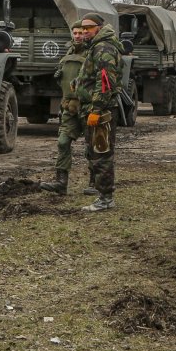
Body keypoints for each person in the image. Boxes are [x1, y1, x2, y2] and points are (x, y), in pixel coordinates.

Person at [37, 18, 94, 195]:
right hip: (68, 106)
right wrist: (59, 76)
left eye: (80, 32)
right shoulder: (68, 52)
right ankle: (61, 182)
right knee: (63, 142)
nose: (78, 36)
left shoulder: (93, 52)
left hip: (87, 106)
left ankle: (94, 182)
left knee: (92, 146)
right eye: (75, 33)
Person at [73, 14, 123, 211]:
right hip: (94, 108)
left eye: (89, 28)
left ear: (99, 28)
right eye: (82, 28)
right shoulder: (95, 46)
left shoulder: (104, 48)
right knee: (95, 151)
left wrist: (96, 109)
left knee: (101, 152)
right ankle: (102, 194)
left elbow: (105, 83)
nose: (85, 31)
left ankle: (105, 198)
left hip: (102, 111)